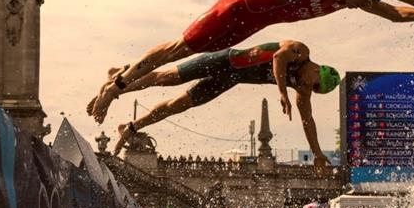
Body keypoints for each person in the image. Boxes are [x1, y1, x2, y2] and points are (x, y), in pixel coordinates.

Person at [88, 0, 414, 123]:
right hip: (237, 7)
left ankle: (120, 79)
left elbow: (394, 14)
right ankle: (115, 87)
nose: (360, 6)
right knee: (179, 49)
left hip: (248, 28)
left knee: (185, 58)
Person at [111, 39, 339, 175]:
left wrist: (318, 154)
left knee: (179, 105)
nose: (309, 88)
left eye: (315, 91)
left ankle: (130, 127)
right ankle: (123, 79)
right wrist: (281, 91)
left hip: (229, 79)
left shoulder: (302, 90)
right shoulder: (300, 51)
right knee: (168, 78)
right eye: (314, 85)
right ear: (317, 70)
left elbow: (308, 121)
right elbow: (278, 57)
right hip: (225, 60)